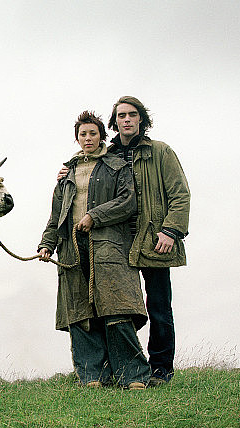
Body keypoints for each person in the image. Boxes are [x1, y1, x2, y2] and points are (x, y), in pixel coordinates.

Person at [38, 111, 150, 389]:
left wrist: (95, 216)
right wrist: (47, 243)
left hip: (109, 248)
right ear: (77, 138)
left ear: (101, 136)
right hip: (72, 250)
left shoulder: (116, 166)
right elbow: (56, 216)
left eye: (93, 133)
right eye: (83, 134)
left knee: (116, 308)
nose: (88, 138)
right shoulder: (66, 174)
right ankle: (92, 376)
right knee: (81, 314)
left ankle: (132, 376)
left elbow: (128, 202)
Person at [107, 96, 190, 386]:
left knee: (158, 307)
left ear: (141, 119)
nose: (126, 120)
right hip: (117, 244)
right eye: (121, 115)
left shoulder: (160, 151)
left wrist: (171, 231)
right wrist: (67, 172)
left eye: (132, 114)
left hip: (153, 241)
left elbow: (180, 194)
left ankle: (160, 370)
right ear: (115, 121)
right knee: (117, 309)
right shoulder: (107, 155)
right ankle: (126, 370)